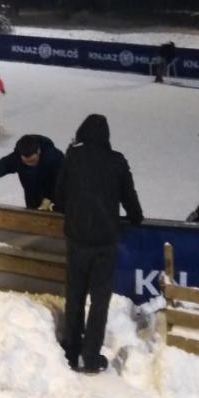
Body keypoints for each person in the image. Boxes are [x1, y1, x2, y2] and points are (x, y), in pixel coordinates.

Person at [55, 114, 143, 374]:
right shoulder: (117, 161)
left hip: (77, 238)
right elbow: (129, 196)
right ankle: (90, 357)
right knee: (99, 300)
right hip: (105, 241)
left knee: (75, 294)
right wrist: (136, 217)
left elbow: (59, 196)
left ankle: (71, 350)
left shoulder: (73, 157)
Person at [0, 134, 64, 209]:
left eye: (32, 161)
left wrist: (50, 198)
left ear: (38, 151)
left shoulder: (54, 157)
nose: (30, 164)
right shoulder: (15, 160)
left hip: (57, 193)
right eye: (26, 161)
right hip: (32, 193)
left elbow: (67, 179)